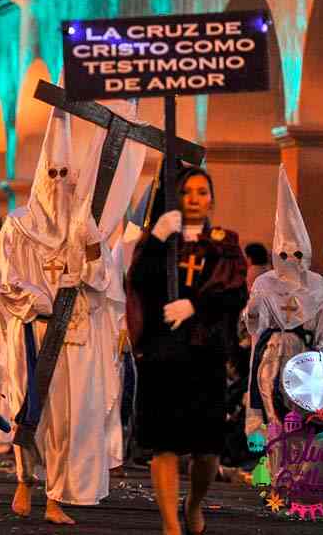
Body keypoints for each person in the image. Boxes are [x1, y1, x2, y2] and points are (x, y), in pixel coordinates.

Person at [0, 107, 121, 525]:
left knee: (70, 420)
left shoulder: (85, 225)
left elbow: (103, 282)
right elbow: (5, 281)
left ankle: (57, 495)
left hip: (76, 334)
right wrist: (41, 299)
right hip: (34, 330)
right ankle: (27, 479)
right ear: (42, 176)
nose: (61, 182)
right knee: (31, 412)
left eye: (68, 173)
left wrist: (94, 248)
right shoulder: (18, 226)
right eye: (54, 174)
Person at [128, 167, 248, 535]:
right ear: (177, 197)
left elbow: (235, 293)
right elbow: (138, 284)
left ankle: (193, 504)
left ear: (211, 197)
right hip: (163, 353)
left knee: (206, 449)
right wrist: (155, 242)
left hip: (204, 352)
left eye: (202, 191)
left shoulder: (225, 242)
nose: (195, 198)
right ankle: (170, 526)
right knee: (164, 444)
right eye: (188, 191)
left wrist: (196, 306)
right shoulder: (160, 241)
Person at [244, 167, 323, 440]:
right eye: (285, 253)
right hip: (272, 354)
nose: (291, 259)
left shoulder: (316, 285)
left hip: (304, 357)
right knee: (272, 415)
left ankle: (300, 475)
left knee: (303, 415)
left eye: (297, 253)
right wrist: (252, 312)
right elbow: (254, 326)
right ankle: (278, 475)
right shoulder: (266, 283)